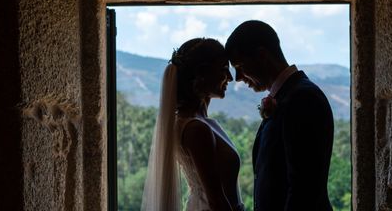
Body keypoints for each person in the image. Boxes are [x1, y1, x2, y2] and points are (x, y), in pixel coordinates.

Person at [225, 20, 334, 211]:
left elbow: (304, 188)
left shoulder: (303, 97)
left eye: (240, 66)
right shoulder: (289, 95)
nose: (238, 78)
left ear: (262, 56)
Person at [141, 38, 245, 211]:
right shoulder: (196, 129)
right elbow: (216, 200)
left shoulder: (197, 123)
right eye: (223, 69)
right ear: (202, 74)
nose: (229, 78)